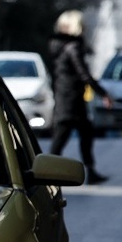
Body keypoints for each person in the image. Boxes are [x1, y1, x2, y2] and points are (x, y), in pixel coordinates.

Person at [46, 9, 113, 185]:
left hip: (65, 97)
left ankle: (87, 171)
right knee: (62, 138)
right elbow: (84, 74)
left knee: (80, 134)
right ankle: (46, 176)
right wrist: (103, 93)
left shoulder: (58, 45)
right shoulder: (72, 47)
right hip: (72, 100)